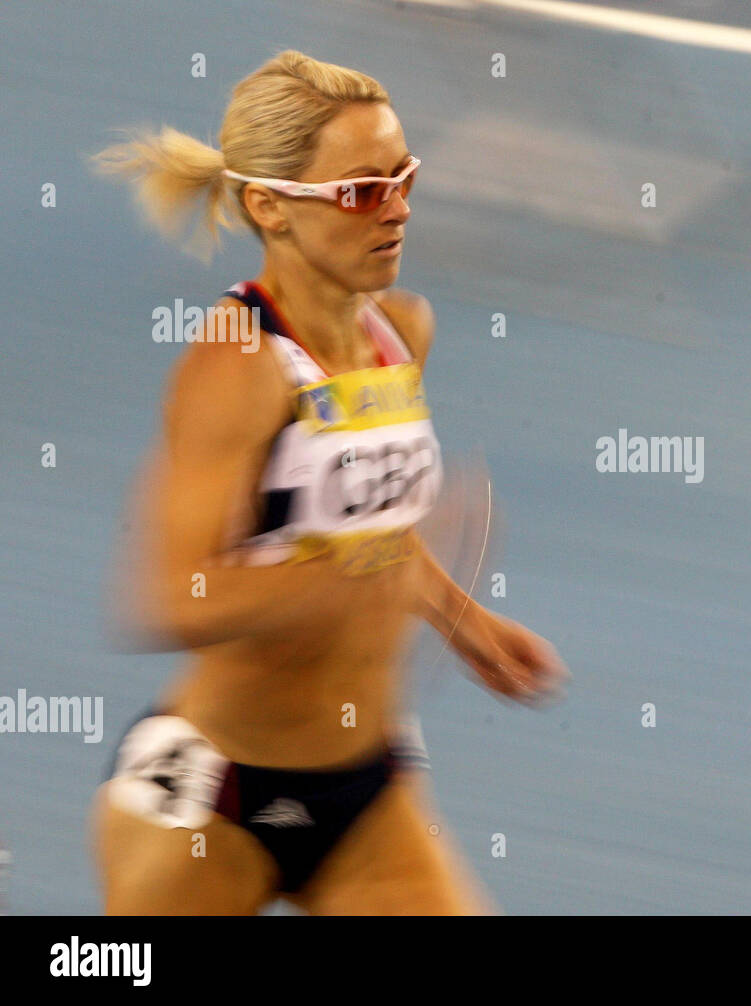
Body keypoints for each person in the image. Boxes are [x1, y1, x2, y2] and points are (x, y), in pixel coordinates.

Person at [89, 49, 568, 915]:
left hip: (367, 791)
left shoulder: (402, 330)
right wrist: (344, 585)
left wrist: (463, 619)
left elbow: (365, 529)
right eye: (361, 192)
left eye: (403, 177)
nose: (398, 210)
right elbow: (171, 597)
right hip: (214, 805)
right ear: (270, 207)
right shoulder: (236, 364)